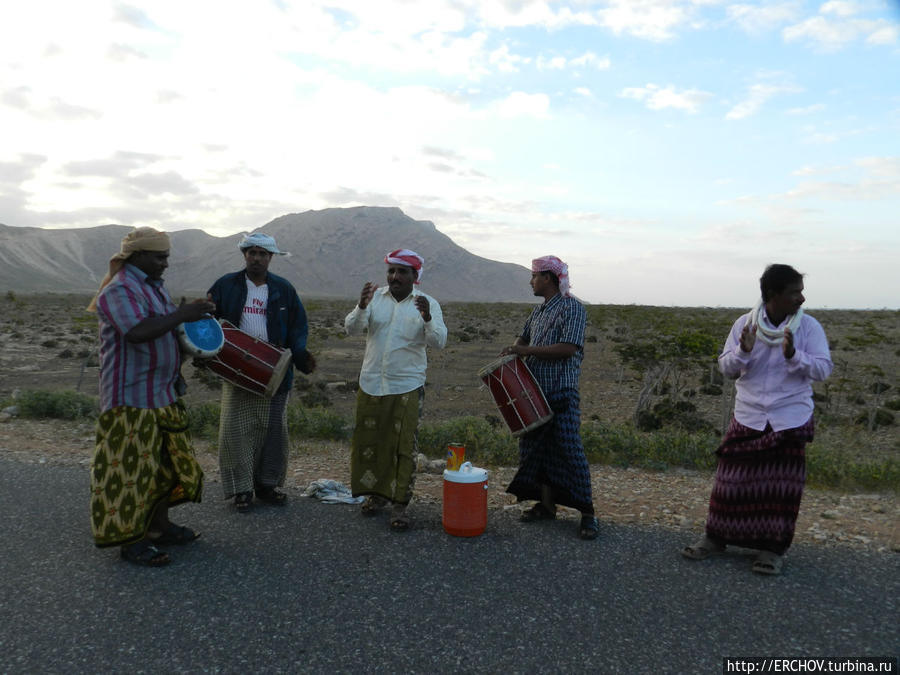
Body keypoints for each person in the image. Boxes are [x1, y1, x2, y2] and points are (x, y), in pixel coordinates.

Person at [682, 264, 833, 575]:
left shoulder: (809, 328)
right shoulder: (744, 325)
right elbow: (727, 368)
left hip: (790, 418)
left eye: (801, 292)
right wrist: (743, 351)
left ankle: (772, 550)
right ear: (772, 295)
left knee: (781, 492)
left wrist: (795, 356)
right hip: (750, 416)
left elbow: (823, 370)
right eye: (794, 292)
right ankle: (716, 538)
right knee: (730, 484)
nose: (801, 299)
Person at [88, 226, 215, 567]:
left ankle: (159, 527)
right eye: (160, 257)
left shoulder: (153, 289)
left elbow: (168, 329)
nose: (166, 264)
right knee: (130, 472)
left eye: (167, 257)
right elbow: (137, 332)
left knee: (165, 465)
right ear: (138, 256)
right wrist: (183, 314)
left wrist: (194, 341)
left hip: (162, 393)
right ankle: (132, 541)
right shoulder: (118, 291)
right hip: (131, 399)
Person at [207, 233, 315, 512]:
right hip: (237, 369)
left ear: (271, 257)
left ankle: (267, 485)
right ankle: (241, 489)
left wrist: (300, 354)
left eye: (262, 254)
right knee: (237, 430)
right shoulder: (226, 285)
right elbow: (208, 321)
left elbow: (298, 326)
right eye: (252, 252)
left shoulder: (283, 289)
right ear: (245, 255)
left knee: (273, 431)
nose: (256, 258)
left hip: (275, 371)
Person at [344, 249, 447, 531]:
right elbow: (352, 329)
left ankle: (400, 504)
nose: (395, 277)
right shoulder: (375, 299)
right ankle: (376, 496)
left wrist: (427, 318)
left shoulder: (428, 304)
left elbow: (439, 342)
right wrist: (361, 306)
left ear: (415, 276)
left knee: (403, 447)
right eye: (391, 271)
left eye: (402, 271)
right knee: (372, 442)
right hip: (372, 382)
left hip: (406, 385)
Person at [501, 256, 599, 540]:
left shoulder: (573, 308)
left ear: (548, 278)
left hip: (560, 390)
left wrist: (526, 351)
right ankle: (546, 506)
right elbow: (523, 338)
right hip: (533, 393)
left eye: (534, 276)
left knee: (570, 450)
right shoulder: (539, 311)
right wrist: (515, 348)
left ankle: (588, 513)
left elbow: (568, 348)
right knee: (536, 450)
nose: (531, 281)